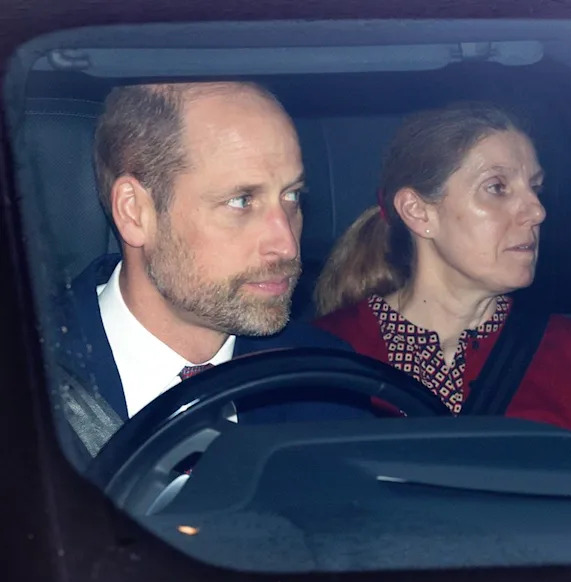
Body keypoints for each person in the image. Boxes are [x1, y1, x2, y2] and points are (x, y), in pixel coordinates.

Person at [58, 81, 365, 464]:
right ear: (135, 212)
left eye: (292, 197)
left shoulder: (322, 377)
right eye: (241, 201)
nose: (286, 244)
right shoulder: (28, 377)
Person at [313, 103, 571, 434]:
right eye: (497, 187)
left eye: (535, 188)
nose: (537, 211)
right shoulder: (323, 355)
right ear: (419, 212)